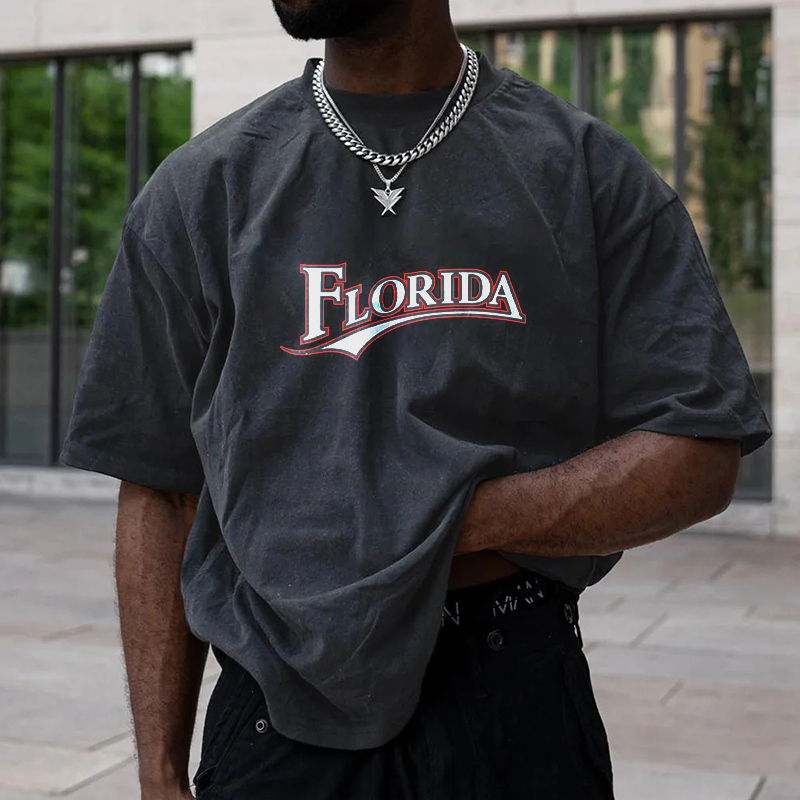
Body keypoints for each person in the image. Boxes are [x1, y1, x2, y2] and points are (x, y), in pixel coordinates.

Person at [60, 0, 772, 797]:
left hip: (510, 694)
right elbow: (159, 486)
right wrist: (159, 773)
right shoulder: (201, 191)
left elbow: (701, 449)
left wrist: (445, 520)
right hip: (275, 710)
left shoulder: (583, 171)